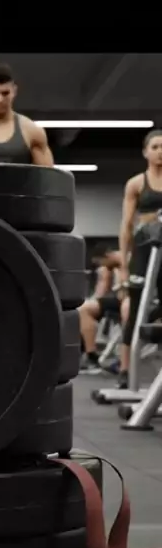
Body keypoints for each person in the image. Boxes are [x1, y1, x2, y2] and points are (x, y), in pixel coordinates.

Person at [117, 129, 162, 388]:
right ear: (145, 152)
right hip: (144, 250)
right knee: (134, 310)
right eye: (155, 147)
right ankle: (125, 370)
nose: (160, 151)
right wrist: (124, 265)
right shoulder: (136, 184)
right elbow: (126, 226)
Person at [78, 244, 129, 374]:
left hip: (133, 301)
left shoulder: (127, 260)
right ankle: (90, 355)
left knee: (85, 308)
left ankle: (94, 357)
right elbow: (101, 292)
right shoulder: (110, 267)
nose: (101, 266)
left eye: (100, 263)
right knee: (84, 309)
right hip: (120, 301)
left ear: (107, 255)